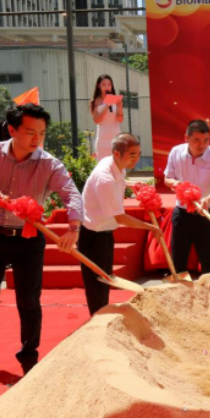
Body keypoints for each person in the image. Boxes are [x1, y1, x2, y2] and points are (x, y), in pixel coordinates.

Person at [0, 103, 83, 382]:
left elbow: (71, 194)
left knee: (29, 303)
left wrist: (74, 228)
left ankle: (29, 358)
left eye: (42, 133)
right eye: (30, 132)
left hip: (28, 238)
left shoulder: (49, 164)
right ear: (12, 130)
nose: (37, 139)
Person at [80, 133, 161, 315]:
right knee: (97, 285)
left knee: (105, 280)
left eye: (138, 154)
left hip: (104, 231)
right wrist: (150, 227)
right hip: (93, 235)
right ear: (117, 153)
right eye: (132, 155)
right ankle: (97, 320)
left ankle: (102, 315)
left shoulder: (117, 166)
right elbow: (120, 218)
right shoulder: (105, 178)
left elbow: (119, 187)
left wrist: (133, 185)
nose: (136, 159)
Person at [163, 120, 210, 274]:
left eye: (206, 140)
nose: (202, 145)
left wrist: (207, 199)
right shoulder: (175, 152)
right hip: (182, 212)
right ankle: (178, 286)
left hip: (205, 212)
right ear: (186, 138)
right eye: (197, 140)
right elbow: (167, 179)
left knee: (209, 259)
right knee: (178, 257)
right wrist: (177, 183)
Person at [90, 74, 124, 160]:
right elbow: (96, 120)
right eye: (104, 85)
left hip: (115, 136)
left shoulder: (116, 99)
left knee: (117, 161)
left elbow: (120, 119)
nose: (107, 87)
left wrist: (120, 107)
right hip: (102, 138)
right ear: (99, 86)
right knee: (102, 162)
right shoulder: (94, 102)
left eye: (109, 84)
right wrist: (106, 106)